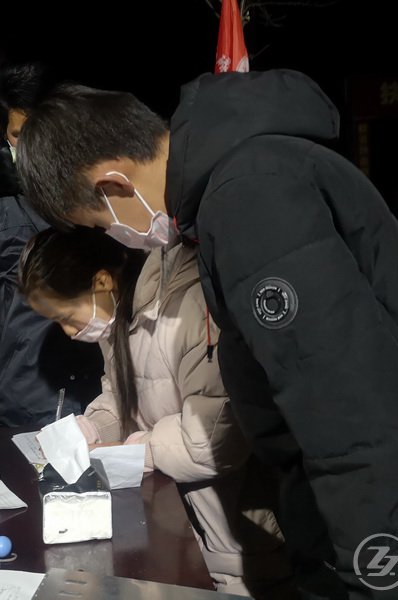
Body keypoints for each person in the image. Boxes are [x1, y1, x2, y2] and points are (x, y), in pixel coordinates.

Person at [14, 71, 398, 598]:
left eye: (101, 222)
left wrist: (370, 575)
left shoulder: (252, 200)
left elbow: (346, 407)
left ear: (113, 183)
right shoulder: (246, 182)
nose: (115, 236)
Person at [19, 227, 294, 598]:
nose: (68, 333)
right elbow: (123, 394)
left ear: (101, 281)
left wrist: (141, 448)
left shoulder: (191, 308)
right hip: (174, 521)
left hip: (235, 534)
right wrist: (95, 426)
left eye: (66, 316)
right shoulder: (118, 315)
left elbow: (210, 442)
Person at [0, 63, 102, 429]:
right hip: (23, 386)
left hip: (101, 381)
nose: (35, 145)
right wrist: (15, 338)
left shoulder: (97, 190)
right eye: (22, 133)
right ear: (3, 130)